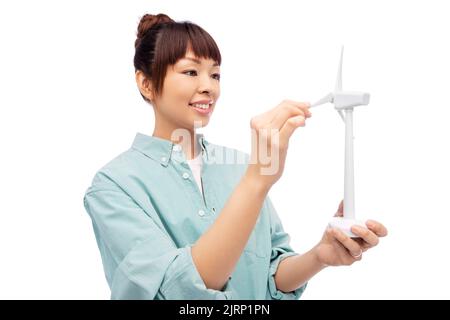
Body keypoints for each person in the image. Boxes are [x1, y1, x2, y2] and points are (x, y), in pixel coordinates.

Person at [83, 13, 387, 300]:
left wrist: (319, 256)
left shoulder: (242, 166)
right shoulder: (113, 186)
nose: (209, 88)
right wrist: (256, 182)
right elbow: (181, 292)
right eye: (190, 72)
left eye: (215, 75)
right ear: (146, 83)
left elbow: (271, 273)